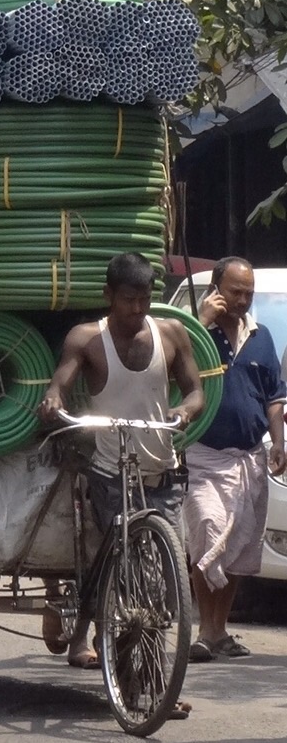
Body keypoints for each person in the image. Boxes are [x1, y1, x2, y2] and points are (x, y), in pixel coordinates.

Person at [39, 252, 204, 681]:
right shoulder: (87, 339)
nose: (137, 308)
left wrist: (185, 410)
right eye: (129, 299)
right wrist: (54, 399)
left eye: (144, 299)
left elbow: (196, 392)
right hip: (111, 474)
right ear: (108, 295)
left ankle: (146, 681)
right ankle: (145, 684)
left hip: (163, 472)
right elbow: (61, 382)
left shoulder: (172, 333)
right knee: (131, 573)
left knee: (165, 579)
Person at [185, 256, 286, 662]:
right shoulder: (193, 332)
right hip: (204, 455)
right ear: (216, 289)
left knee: (239, 547)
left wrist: (278, 442)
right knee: (208, 530)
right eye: (235, 292)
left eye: (248, 293)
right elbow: (168, 366)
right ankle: (203, 629)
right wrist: (201, 320)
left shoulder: (261, 336)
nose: (242, 300)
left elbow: (274, 397)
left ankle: (218, 630)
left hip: (249, 457)